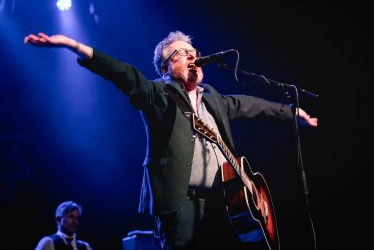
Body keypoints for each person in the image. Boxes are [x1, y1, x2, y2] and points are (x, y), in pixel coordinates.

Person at [25, 31, 318, 250]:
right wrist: (73, 45)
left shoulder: (213, 98)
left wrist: (291, 112)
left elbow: (250, 105)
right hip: (181, 202)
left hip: (223, 201)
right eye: (180, 53)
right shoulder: (158, 94)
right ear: (164, 68)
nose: (191, 55)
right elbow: (124, 74)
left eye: (193, 51)